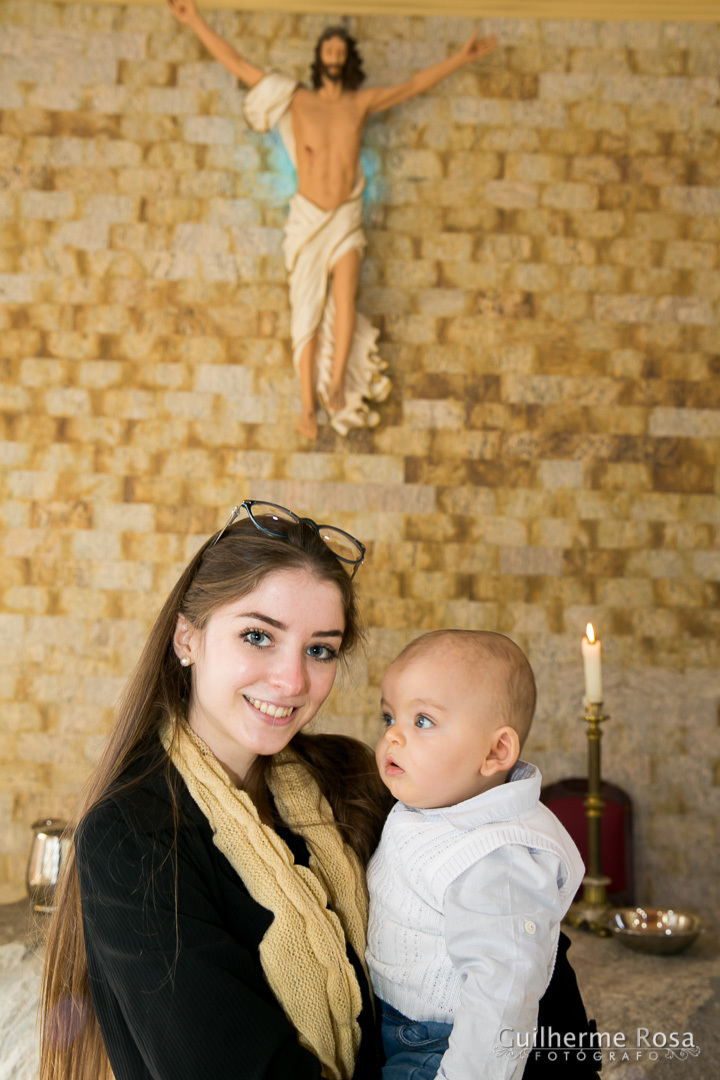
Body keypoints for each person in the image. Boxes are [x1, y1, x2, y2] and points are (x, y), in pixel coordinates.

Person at [40, 500, 393, 1080]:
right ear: (187, 638)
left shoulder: (352, 779)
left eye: (320, 649)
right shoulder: (131, 834)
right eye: (258, 636)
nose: (292, 680)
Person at [166, 1, 498, 438]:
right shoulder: (297, 98)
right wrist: (194, 21)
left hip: (344, 216)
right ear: (320, 56)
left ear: (348, 60)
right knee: (304, 310)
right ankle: (306, 404)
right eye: (330, 50)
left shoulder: (361, 103)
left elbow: (414, 84)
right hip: (307, 216)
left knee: (346, 299)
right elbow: (238, 63)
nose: (335, 57)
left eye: (342, 51)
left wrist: (461, 58)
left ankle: (337, 379)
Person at [366, 630, 601, 1080]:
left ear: (496, 751)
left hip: (443, 1047)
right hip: (398, 1024)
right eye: (389, 717)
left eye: (423, 721)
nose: (394, 736)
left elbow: (503, 996)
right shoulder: (437, 805)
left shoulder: (496, 858)